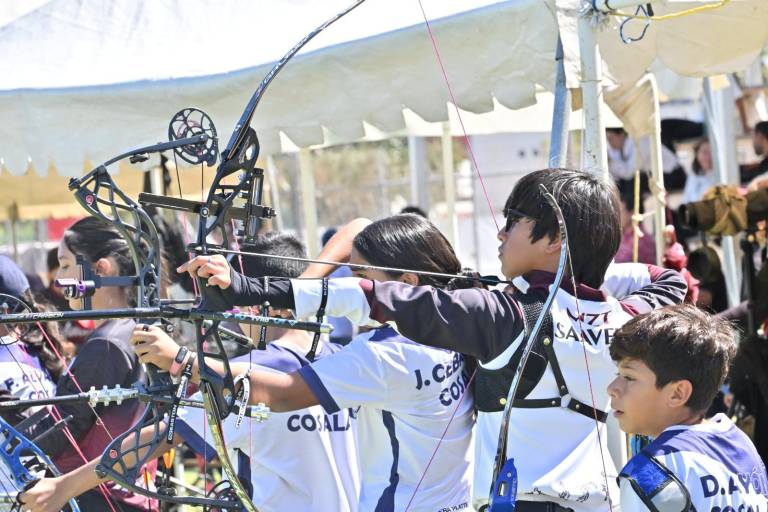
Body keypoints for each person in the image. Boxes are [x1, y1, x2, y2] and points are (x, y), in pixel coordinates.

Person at [181, 168, 688, 512]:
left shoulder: (502, 314)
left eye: (514, 222)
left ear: (554, 239)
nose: (500, 234)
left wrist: (246, 289)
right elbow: (671, 281)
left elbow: (375, 299)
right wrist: (586, 277)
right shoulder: (626, 318)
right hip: (598, 501)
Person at [20, 232, 361, 512]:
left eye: (234, 299)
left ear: (256, 303)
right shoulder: (347, 361)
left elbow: (154, 438)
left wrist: (63, 487)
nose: (233, 316)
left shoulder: (249, 376)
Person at [194, 215, 475, 511]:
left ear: (407, 282)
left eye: (361, 277)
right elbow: (360, 226)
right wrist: (301, 288)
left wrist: (181, 361)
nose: (351, 286)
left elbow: (281, 393)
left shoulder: (384, 356)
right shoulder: (456, 320)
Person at [26, 217, 150, 512]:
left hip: (97, 500)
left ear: (101, 269)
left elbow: (64, 427)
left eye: (66, 265)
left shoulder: (106, 344)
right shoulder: (129, 329)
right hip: (118, 495)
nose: (59, 279)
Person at [608, 304, 767, 511]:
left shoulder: (648, 473)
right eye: (616, 375)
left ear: (678, 393)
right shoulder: (741, 445)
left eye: (628, 377)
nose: (612, 388)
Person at [681, 139, 716, 204]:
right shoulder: (693, 175)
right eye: (704, 152)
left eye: (712, 153)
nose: (708, 157)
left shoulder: (719, 176)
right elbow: (685, 200)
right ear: (697, 153)